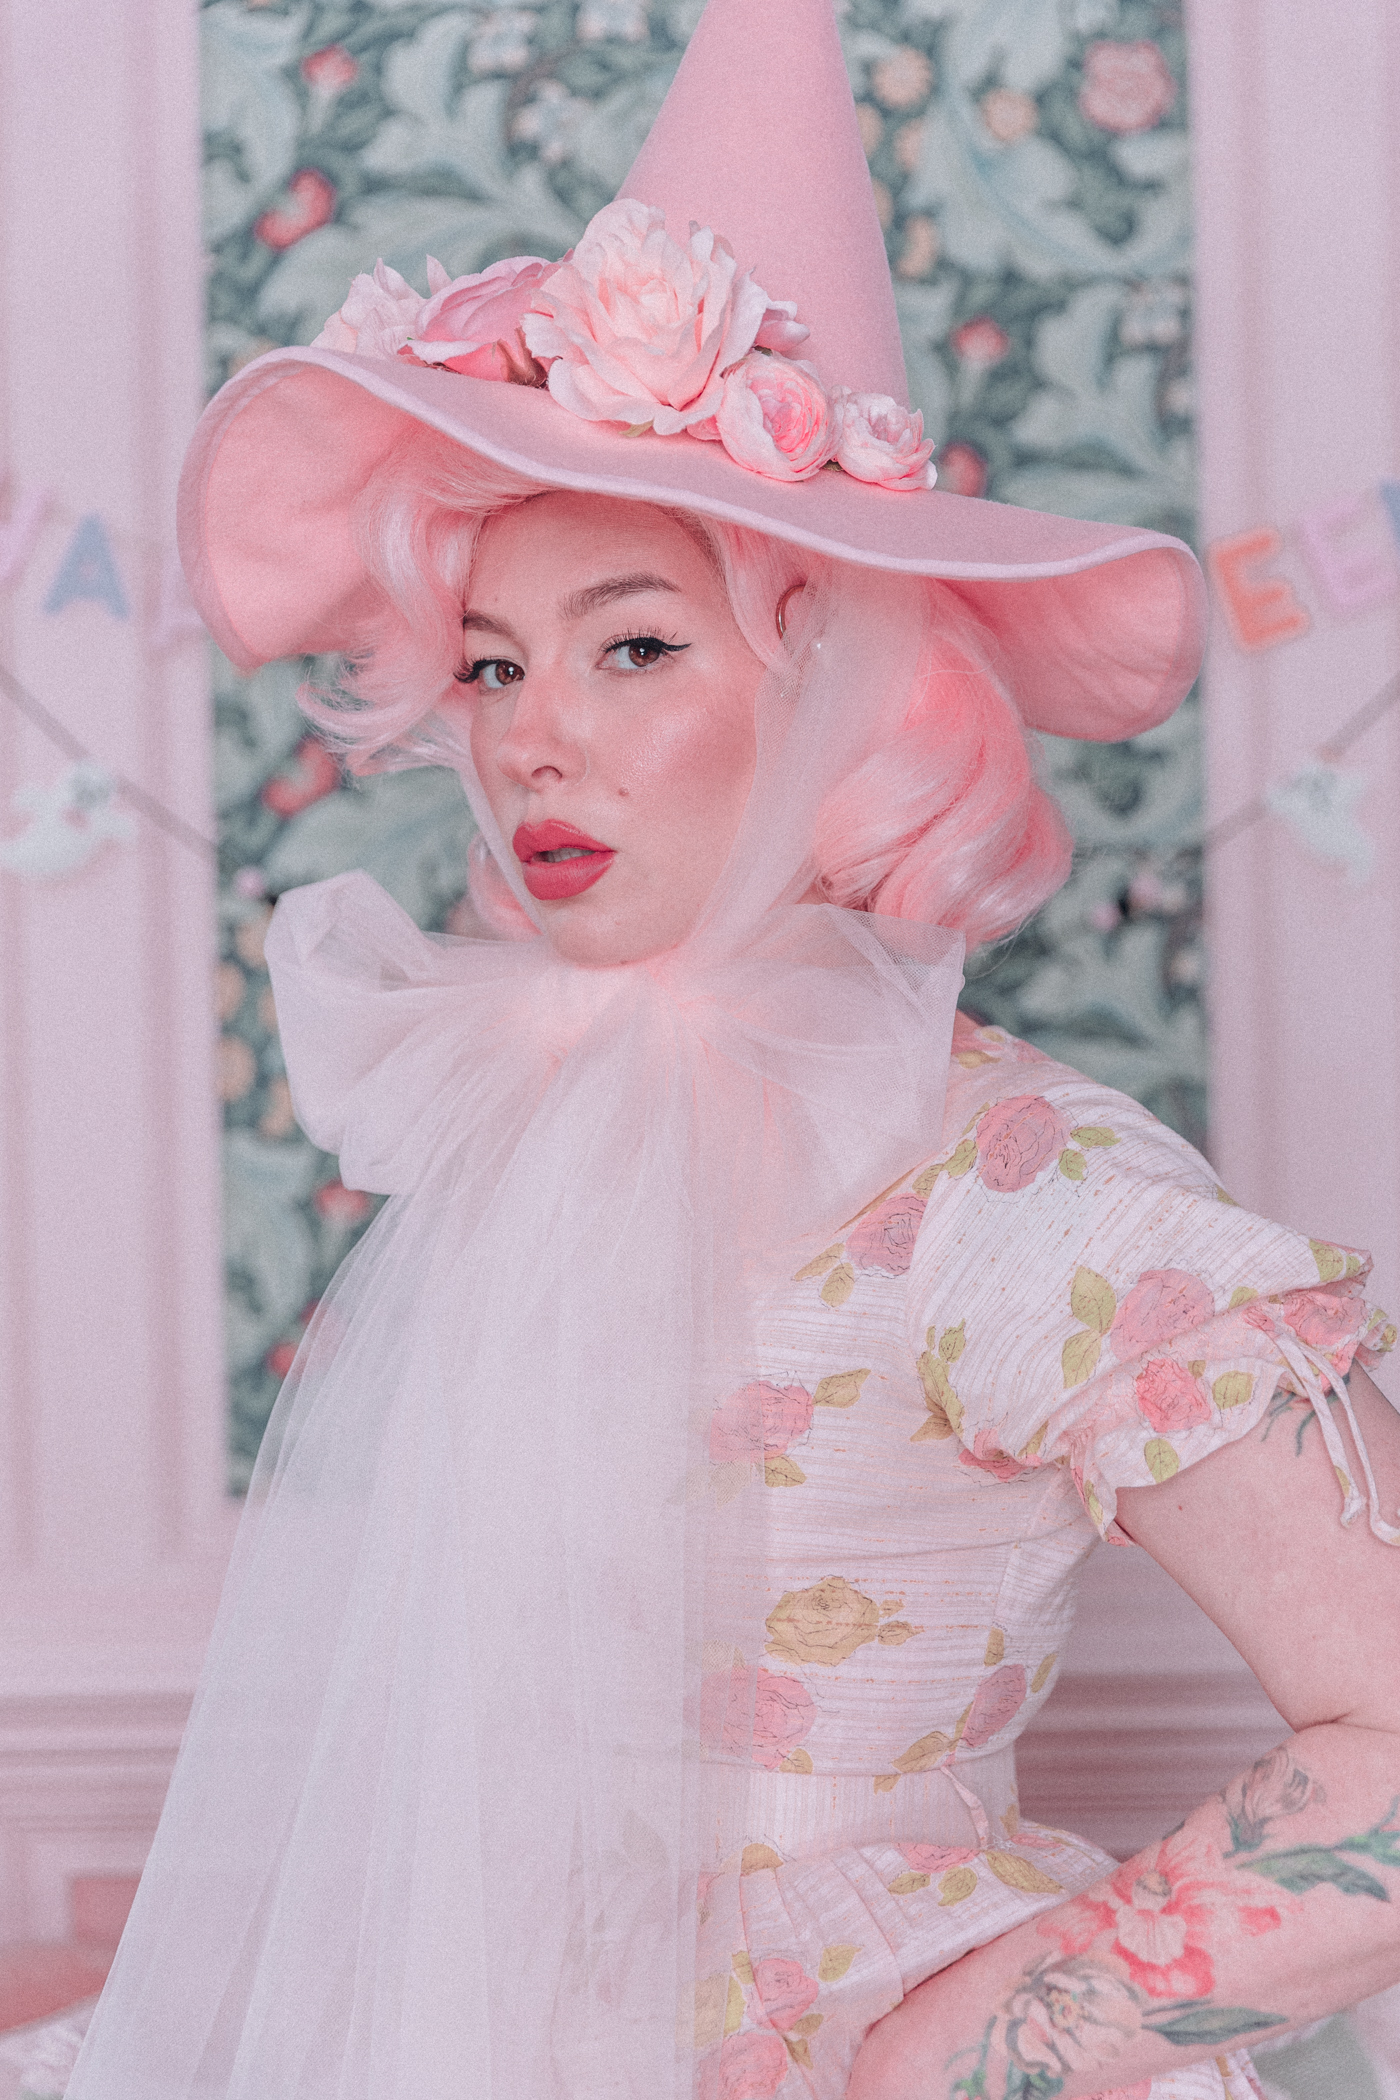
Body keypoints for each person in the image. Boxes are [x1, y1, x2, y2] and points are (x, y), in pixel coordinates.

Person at [68, 3, 1400, 2098]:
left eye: (632, 645)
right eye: (492, 660)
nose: (526, 736)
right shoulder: (529, 1106)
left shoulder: (1011, 1190)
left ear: (845, 683)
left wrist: (984, 2036)